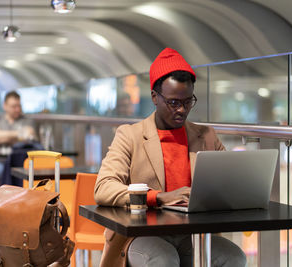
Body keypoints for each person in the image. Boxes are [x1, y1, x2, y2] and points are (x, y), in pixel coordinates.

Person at [94, 48, 247, 267]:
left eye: (188, 102)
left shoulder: (206, 136)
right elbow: (104, 188)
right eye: (174, 103)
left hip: (192, 234)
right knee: (163, 259)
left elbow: (230, 180)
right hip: (141, 235)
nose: (182, 110)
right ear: (155, 97)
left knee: (233, 257)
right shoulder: (130, 135)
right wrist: (158, 197)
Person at [0, 91, 36, 201]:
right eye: (14, 106)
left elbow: (29, 135)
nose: (17, 109)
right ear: (5, 106)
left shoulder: (27, 120)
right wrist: (18, 134)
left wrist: (1, 135)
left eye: (19, 106)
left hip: (20, 164)